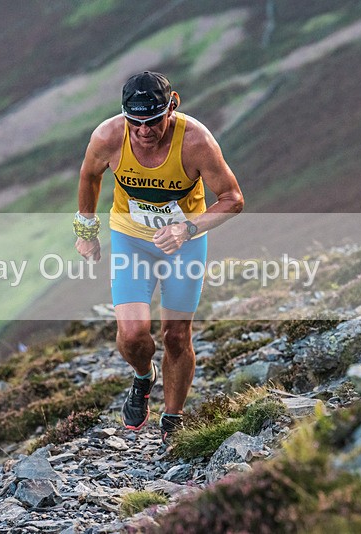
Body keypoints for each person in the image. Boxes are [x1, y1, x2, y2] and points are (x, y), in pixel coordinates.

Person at [74, 71, 244, 443]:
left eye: (153, 120)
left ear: (173, 105)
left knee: (176, 336)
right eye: (135, 122)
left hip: (183, 243)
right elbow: (89, 176)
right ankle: (142, 377)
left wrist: (189, 228)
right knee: (133, 335)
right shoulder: (108, 136)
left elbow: (233, 198)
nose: (144, 131)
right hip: (131, 240)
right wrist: (86, 231)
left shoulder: (196, 141)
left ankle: (173, 420)